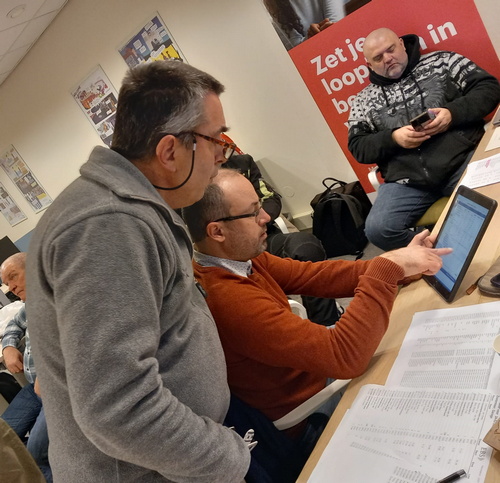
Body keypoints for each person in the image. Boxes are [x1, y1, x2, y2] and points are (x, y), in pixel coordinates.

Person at [26, 61, 251, 482]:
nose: (223, 156)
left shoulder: (131, 206)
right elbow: (118, 407)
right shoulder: (108, 223)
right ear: (170, 151)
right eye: (216, 140)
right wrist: (228, 457)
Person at [182, 168, 450, 455]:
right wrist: (387, 269)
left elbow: (319, 275)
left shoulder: (238, 260)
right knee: (429, 383)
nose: (266, 217)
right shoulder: (228, 299)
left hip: (318, 371)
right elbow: (344, 356)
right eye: (253, 212)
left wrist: (402, 264)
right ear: (217, 231)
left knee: (416, 343)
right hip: (311, 412)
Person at [348, 28, 500, 251]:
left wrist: (452, 114)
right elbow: (358, 146)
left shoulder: (443, 61)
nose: (387, 58)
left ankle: (466, 247)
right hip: (407, 182)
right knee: (378, 230)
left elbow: (489, 88)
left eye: (390, 49)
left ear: (401, 44)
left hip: (460, 161)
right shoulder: (363, 100)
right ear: (369, 65)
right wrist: (394, 138)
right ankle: (443, 252)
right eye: (378, 58)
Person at [225, 152, 341, 325]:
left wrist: (258, 219)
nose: (223, 148)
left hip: (265, 238)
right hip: (227, 254)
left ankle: (325, 323)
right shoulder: (188, 185)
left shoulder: (242, 162)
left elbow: (270, 198)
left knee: (306, 247)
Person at [0, 253, 51, 482]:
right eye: (7, 283)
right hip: (33, 389)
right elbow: (13, 325)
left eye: (13, 277)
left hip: (54, 390)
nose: (11, 287)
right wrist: (8, 348)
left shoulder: (56, 299)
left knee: (35, 455)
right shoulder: (29, 305)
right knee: (5, 443)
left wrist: (48, 374)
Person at [264, 0, 345, 50]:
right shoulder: (273, 4)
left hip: (340, 47)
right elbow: (295, 47)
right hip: (314, 59)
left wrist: (313, 36)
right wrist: (310, 36)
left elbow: (336, 24)